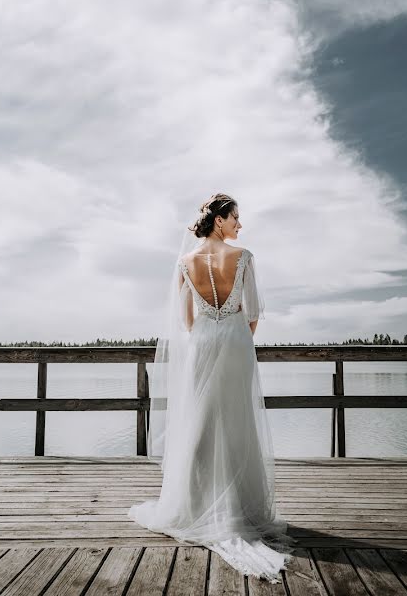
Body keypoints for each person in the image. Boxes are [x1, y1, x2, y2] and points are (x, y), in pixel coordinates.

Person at [127, 193, 296, 584]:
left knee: (201, 422)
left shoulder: (185, 263)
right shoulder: (245, 257)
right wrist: (234, 333)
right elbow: (252, 314)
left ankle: (198, 504)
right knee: (237, 420)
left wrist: (210, 329)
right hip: (236, 345)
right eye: (236, 217)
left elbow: (186, 320)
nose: (240, 225)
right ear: (220, 220)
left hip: (203, 344)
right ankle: (239, 507)